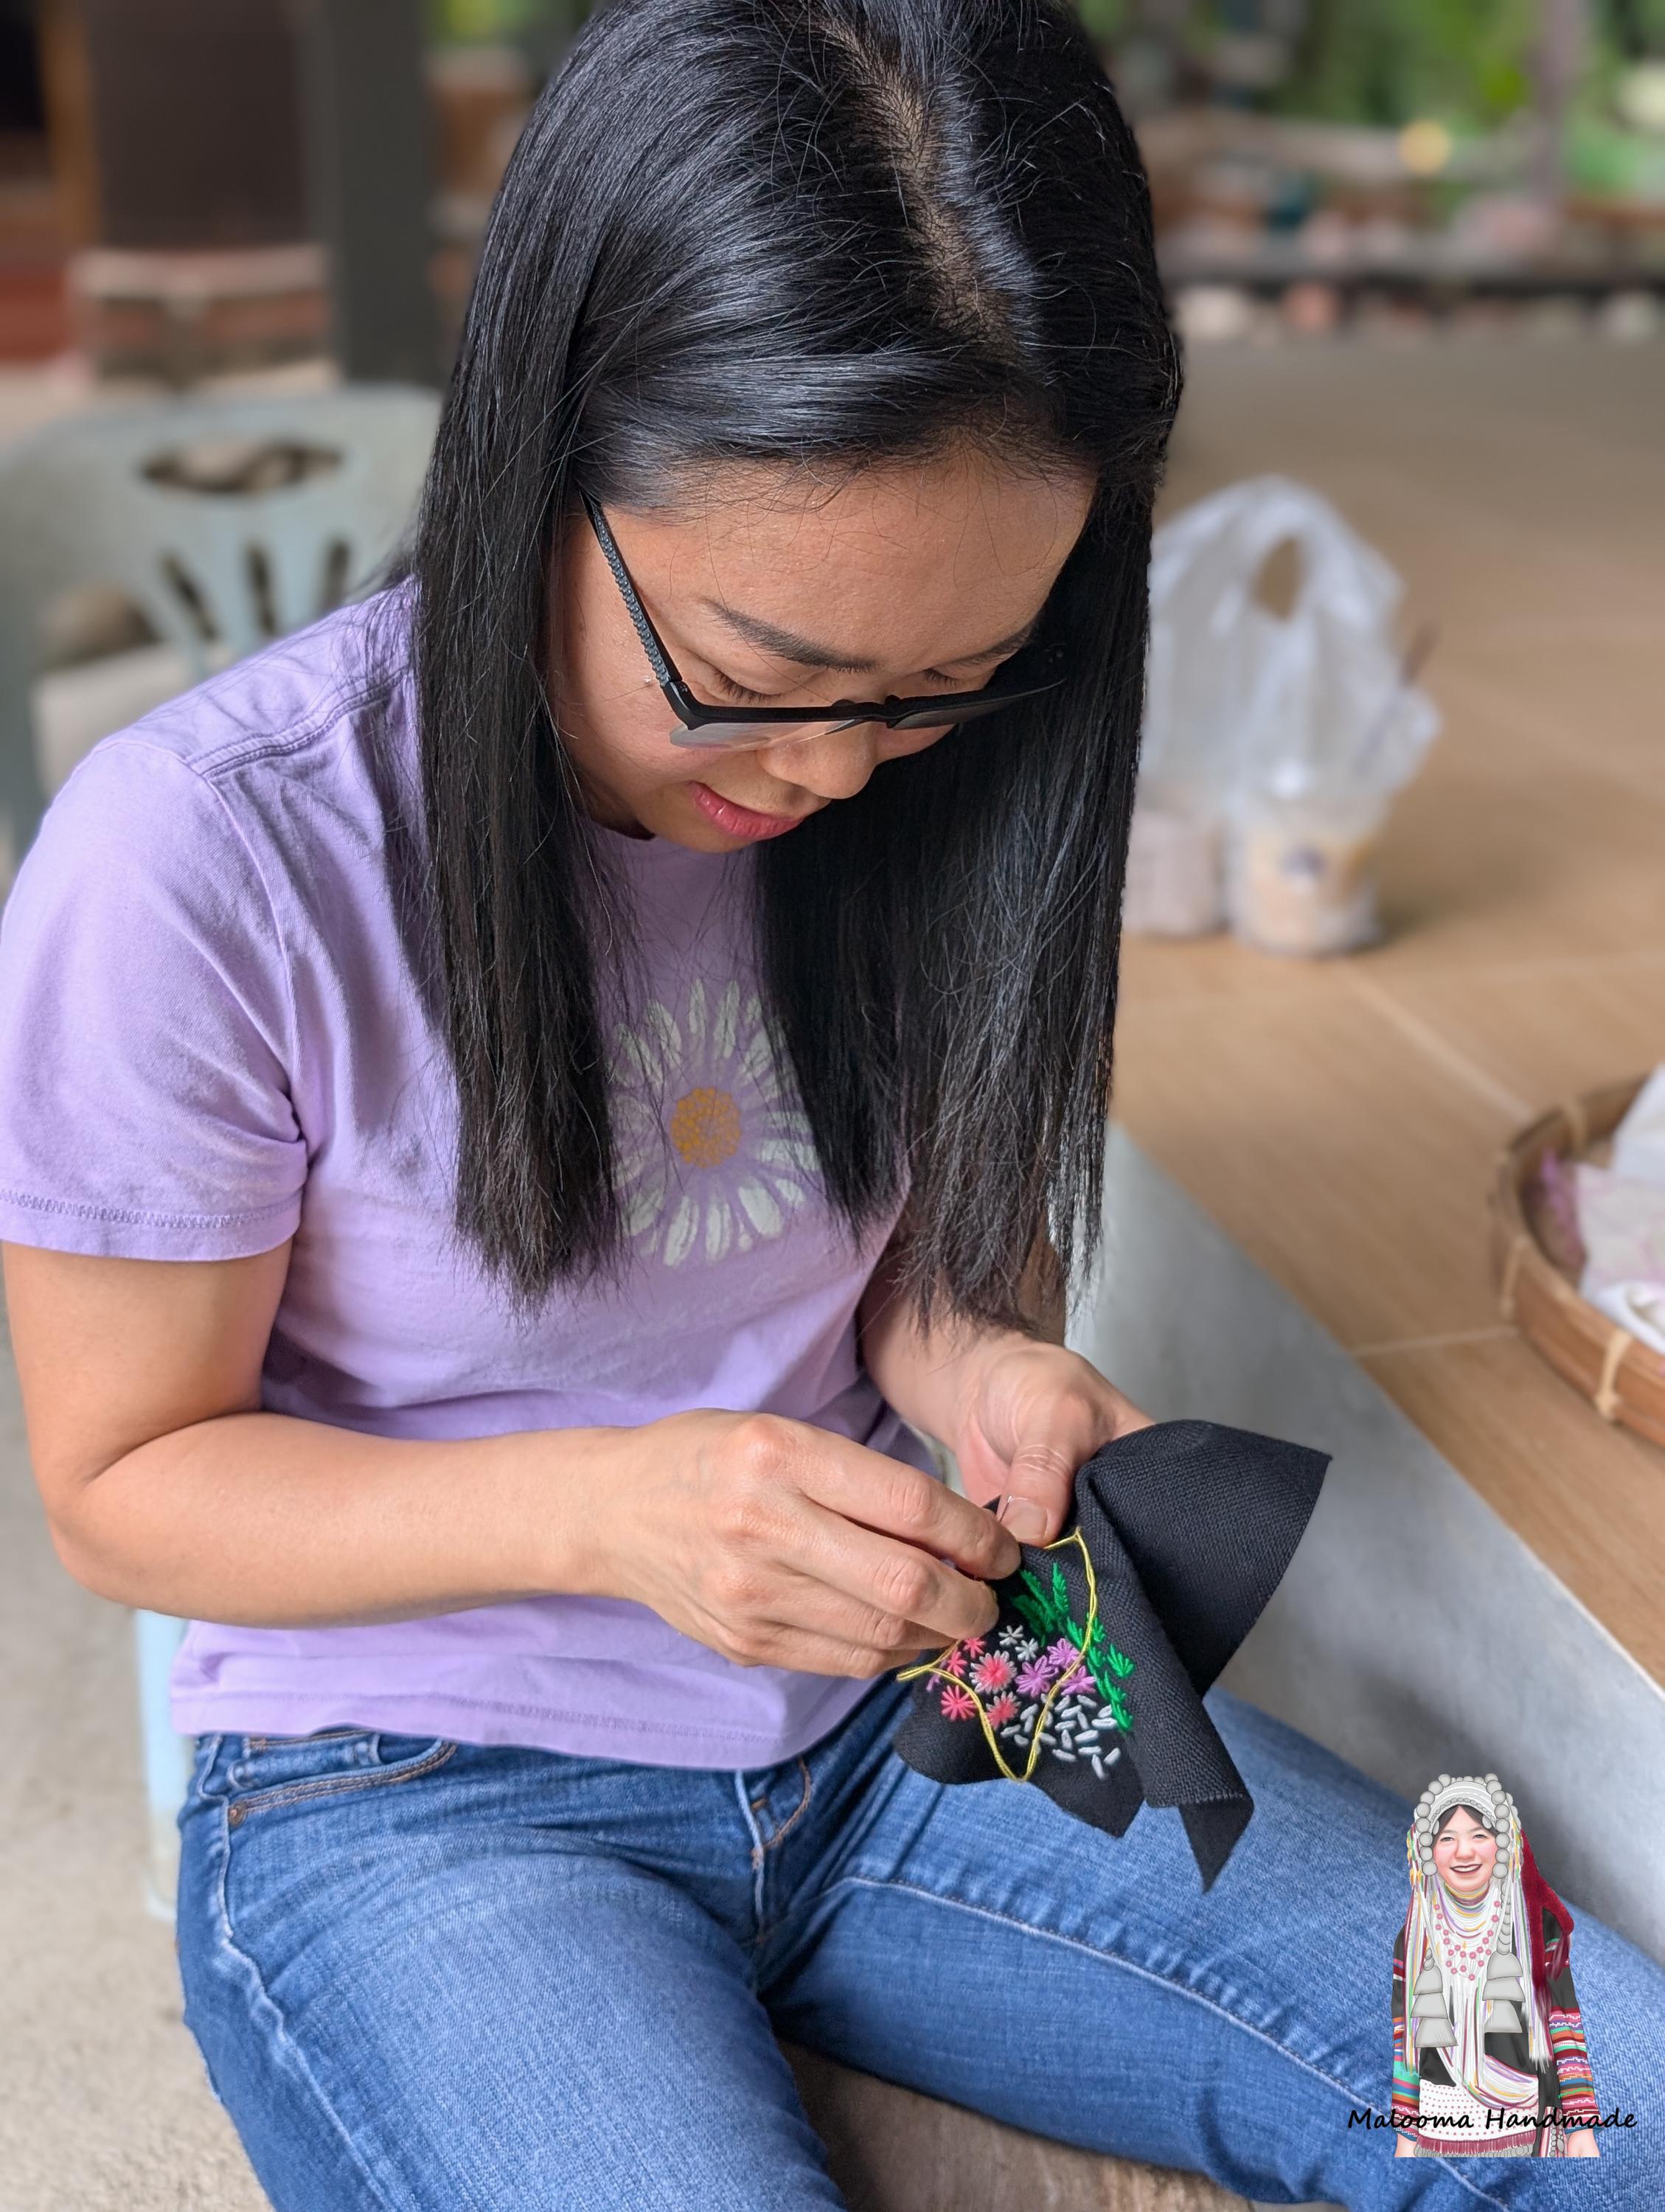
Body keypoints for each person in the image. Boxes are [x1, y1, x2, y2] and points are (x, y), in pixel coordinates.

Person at [1, 3, 1660, 2206]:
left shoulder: (935, 792)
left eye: (938, 691)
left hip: (931, 1689)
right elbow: (123, 1484)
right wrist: (617, 1513)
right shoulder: (204, 857)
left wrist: (977, 1362)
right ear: (537, 453)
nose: (831, 772)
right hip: (413, 1778)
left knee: (1592, 2096)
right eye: (751, 680)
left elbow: (893, 1262)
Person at [1394, 1775, 1601, 2158]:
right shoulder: (1415, 1935)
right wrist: (1406, 2136)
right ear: (1427, 1852)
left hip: (1527, 2123)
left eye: (1479, 1835)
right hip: (1440, 2125)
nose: (1464, 1852)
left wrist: (1581, 2127)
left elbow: (1565, 2026)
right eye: (1447, 1839)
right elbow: (1405, 2042)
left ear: (1504, 1844)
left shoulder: (1538, 1925)